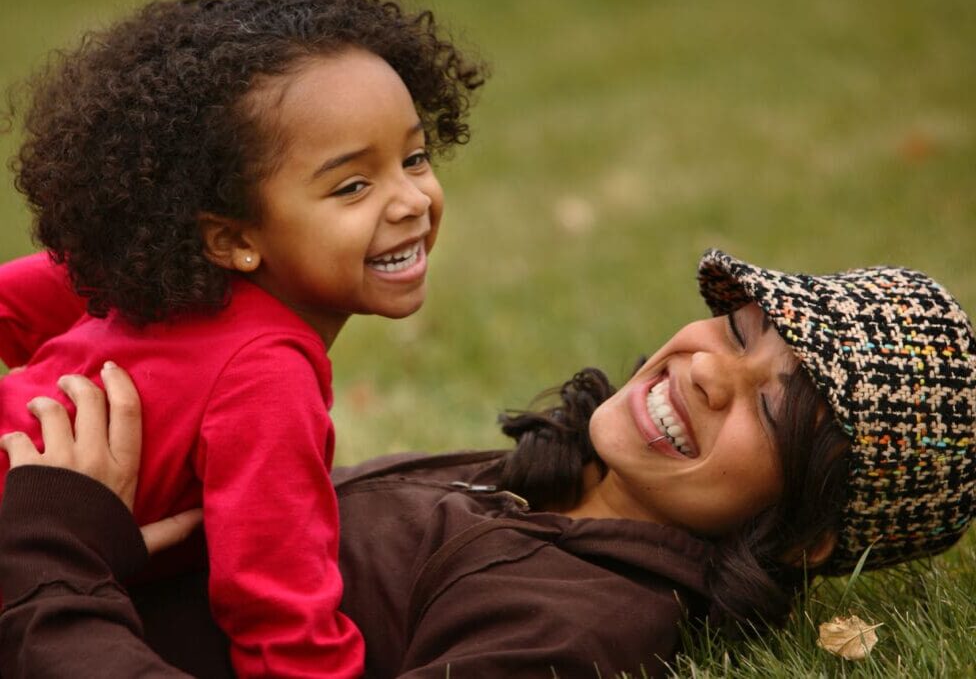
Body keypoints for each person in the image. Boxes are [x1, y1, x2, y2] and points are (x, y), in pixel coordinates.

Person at [2, 249, 975, 677]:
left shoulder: (580, 621)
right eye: (737, 326)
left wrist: (48, 553)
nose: (711, 367)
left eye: (772, 403)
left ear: (806, 528)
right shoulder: (542, 486)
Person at [0, 0, 484, 676]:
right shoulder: (266, 375)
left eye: (414, 157)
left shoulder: (153, 276)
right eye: (351, 186)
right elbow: (280, 616)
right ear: (231, 237)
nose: (408, 200)